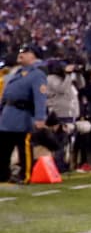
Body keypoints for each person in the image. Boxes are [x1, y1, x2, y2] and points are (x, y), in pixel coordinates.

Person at [0, 44, 48, 183]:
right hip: (8, 116)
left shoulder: (37, 74)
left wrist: (40, 117)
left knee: (24, 148)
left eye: (25, 52)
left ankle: (25, 175)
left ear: (33, 56)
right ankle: (2, 174)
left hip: (23, 115)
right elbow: (6, 95)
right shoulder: (18, 72)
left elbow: (40, 97)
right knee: (3, 147)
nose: (21, 54)